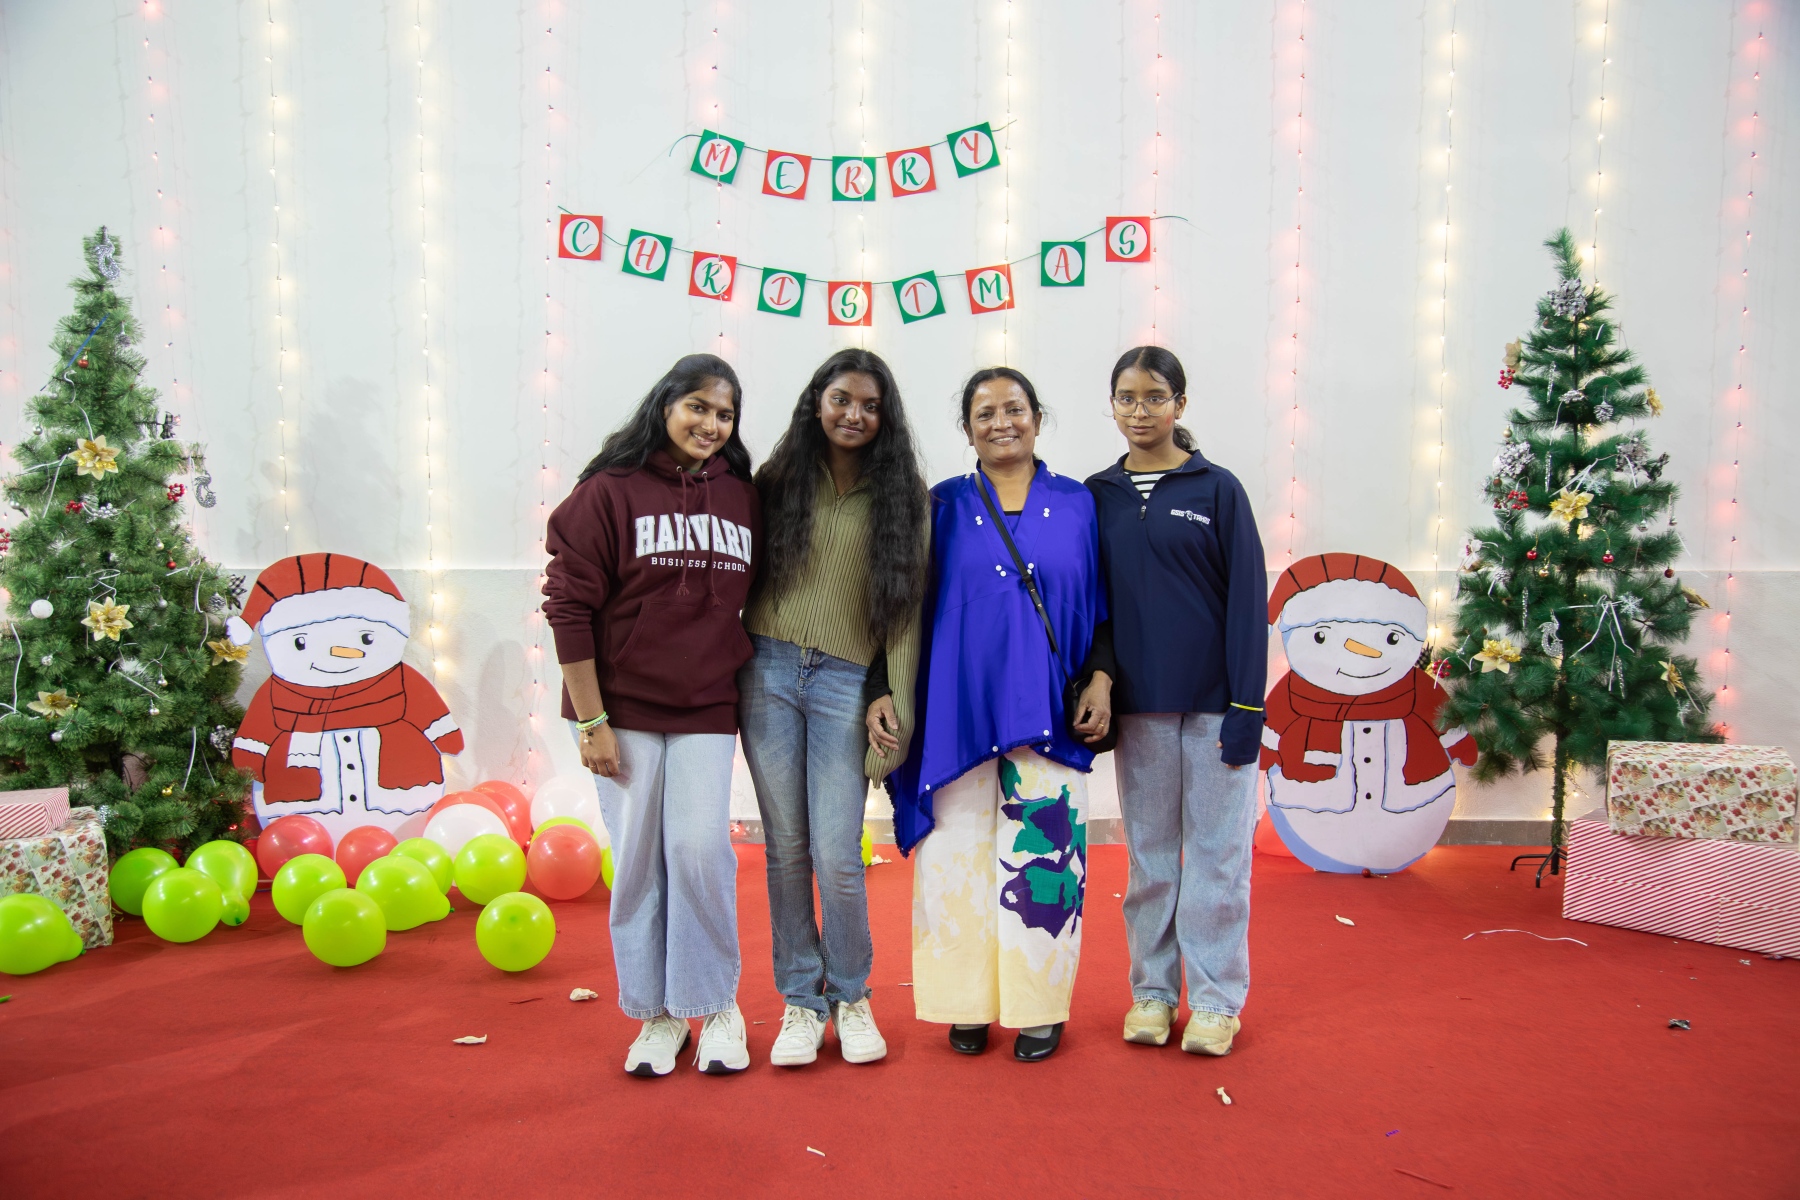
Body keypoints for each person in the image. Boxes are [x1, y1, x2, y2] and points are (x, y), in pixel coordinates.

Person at [542, 353, 762, 1078]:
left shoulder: (742, 495)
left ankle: (716, 1005)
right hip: (621, 709)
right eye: (697, 406)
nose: (710, 424)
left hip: (706, 703)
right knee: (638, 861)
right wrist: (589, 720)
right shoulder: (608, 492)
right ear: (665, 405)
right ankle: (656, 1016)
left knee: (698, 850)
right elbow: (567, 607)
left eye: (724, 414)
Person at [887, 367, 1113, 1063]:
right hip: (957, 713)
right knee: (954, 861)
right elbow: (904, 610)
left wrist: (1103, 679)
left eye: (1014, 409)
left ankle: (1038, 1007)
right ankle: (965, 1004)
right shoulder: (941, 505)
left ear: (1037, 418)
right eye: (984, 413)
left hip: (1050, 711)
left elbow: (1107, 606)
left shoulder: (1078, 503)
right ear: (966, 429)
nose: (1001, 422)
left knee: (1047, 858)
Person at [738, 348, 930, 1068]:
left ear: (886, 417)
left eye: (870, 405)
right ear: (816, 401)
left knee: (838, 854)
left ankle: (852, 996)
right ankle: (800, 1000)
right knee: (786, 848)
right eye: (842, 399)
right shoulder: (777, 479)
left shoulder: (905, 496)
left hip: (845, 682)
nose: (854, 414)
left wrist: (890, 692)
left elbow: (904, 613)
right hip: (767, 670)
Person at [1085, 345, 1268, 1056]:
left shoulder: (1217, 489)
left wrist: (1247, 709)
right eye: (1127, 397)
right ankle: (1154, 994)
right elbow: (1093, 607)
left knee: (1219, 860)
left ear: (1179, 405)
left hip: (1217, 706)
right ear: (1112, 405)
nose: (1140, 411)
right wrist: (1100, 680)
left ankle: (1217, 1002)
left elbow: (1247, 604)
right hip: (1142, 710)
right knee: (1151, 861)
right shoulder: (1096, 495)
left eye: (1155, 397)